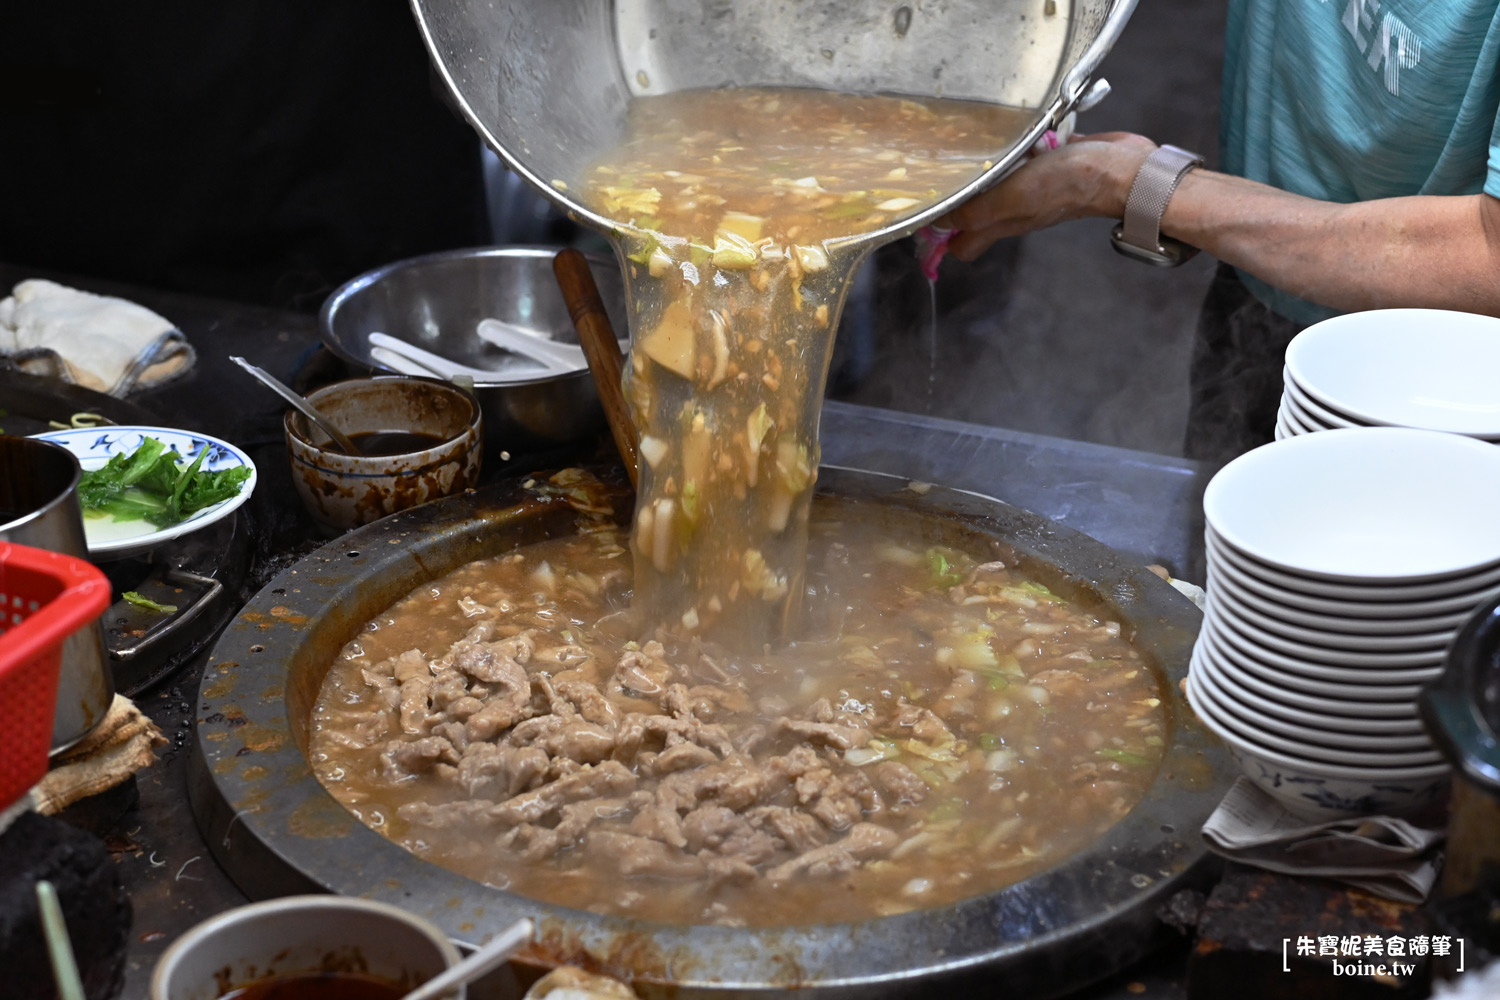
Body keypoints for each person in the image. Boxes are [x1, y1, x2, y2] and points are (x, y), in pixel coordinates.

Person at [939, 0, 1500, 466]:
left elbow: (1488, 256)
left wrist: (1133, 185)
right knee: (1213, 561)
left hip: (1440, 379)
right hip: (1258, 286)